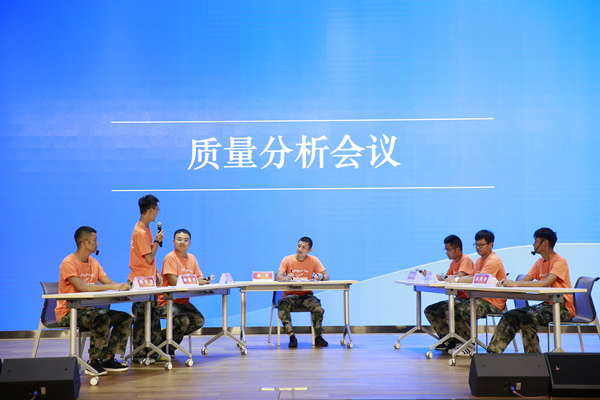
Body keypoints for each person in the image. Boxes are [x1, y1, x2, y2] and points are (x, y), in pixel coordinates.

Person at [56, 226, 132, 376]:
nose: (97, 243)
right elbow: (81, 287)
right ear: (85, 242)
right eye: (95, 240)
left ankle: (108, 359)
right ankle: (93, 361)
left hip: (88, 310)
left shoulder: (94, 262)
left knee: (124, 318)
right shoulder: (68, 262)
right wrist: (113, 286)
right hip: (69, 312)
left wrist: (122, 286)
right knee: (101, 318)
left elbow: (109, 283)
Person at [487, 228, 574, 353]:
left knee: (528, 319)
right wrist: (507, 283)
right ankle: (493, 352)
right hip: (546, 305)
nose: (533, 244)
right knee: (510, 315)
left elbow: (545, 283)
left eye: (536, 241)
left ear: (545, 243)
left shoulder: (559, 261)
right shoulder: (539, 262)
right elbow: (526, 281)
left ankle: (534, 358)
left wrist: (516, 283)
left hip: (562, 308)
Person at [450, 230, 507, 356]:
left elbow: (478, 279)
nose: (478, 247)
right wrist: (454, 279)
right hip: (480, 299)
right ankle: (459, 343)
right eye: (476, 245)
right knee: (451, 307)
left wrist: (457, 279)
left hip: (493, 301)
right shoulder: (479, 260)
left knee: (460, 310)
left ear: (491, 244)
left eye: (481, 245)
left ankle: (468, 346)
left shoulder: (493, 260)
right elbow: (471, 276)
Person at [157, 229, 207, 356]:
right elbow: (173, 281)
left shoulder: (192, 258)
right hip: (166, 301)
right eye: (179, 239)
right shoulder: (170, 257)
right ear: (173, 242)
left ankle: (161, 342)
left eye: (185, 240)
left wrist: (204, 281)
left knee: (198, 320)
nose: (182, 242)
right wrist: (196, 281)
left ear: (190, 243)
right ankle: (165, 348)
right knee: (183, 321)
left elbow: (199, 277)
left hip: (183, 302)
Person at [128, 194, 165, 364]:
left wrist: (155, 271)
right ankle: (139, 354)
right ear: (150, 210)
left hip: (148, 280)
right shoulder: (141, 232)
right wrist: (157, 241)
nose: (157, 212)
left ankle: (153, 351)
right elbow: (149, 257)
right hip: (140, 282)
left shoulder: (145, 228)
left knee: (153, 317)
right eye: (157, 209)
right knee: (141, 319)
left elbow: (147, 258)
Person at [275, 237, 329, 348]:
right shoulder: (287, 259)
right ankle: (291, 336)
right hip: (289, 296)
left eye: (303, 247)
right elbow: (278, 276)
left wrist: (320, 276)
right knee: (282, 307)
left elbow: (326, 276)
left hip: (307, 296)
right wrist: (285, 278)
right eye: (299, 246)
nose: (300, 249)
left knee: (318, 309)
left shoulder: (314, 260)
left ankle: (318, 336)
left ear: (309, 250)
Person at [424, 235, 475, 351]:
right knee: (430, 310)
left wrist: (441, 277)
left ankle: (465, 343)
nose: (446, 252)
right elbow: (447, 278)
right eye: (446, 250)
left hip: (468, 298)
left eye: (448, 250)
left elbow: (458, 278)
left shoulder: (466, 259)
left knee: (447, 310)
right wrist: (432, 276)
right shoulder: (453, 262)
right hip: (458, 297)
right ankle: (448, 340)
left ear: (458, 249)